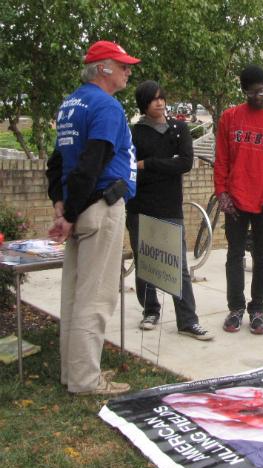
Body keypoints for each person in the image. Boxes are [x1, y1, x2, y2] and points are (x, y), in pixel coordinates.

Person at [46, 40, 140, 395]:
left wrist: (61, 203)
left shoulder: (71, 104)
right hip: (99, 208)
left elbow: (58, 162)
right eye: (122, 65)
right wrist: (69, 213)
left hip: (80, 207)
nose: (128, 71)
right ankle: (86, 380)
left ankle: (72, 374)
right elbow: (93, 161)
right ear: (103, 68)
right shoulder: (107, 106)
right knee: (96, 298)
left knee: (73, 295)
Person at [126, 80, 213, 341]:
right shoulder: (134, 132)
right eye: (153, 99)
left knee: (178, 266)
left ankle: (187, 320)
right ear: (144, 103)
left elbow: (185, 163)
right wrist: (164, 165)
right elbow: (130, 167)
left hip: (169, 205)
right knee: (144, 260)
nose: (160, 102)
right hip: (140, 205)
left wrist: (148, 164)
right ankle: (150, 310)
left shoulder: (179, 129)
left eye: (162, 97)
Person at [214, 65, 263, 335]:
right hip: (235, 199)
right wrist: (221, 193)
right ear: (244, 91)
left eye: (262, 91)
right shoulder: (230, 117)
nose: (258, 96)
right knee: (235, 256)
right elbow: (222, 159)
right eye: (252, 92)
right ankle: (235, 308)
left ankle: (257, 309)